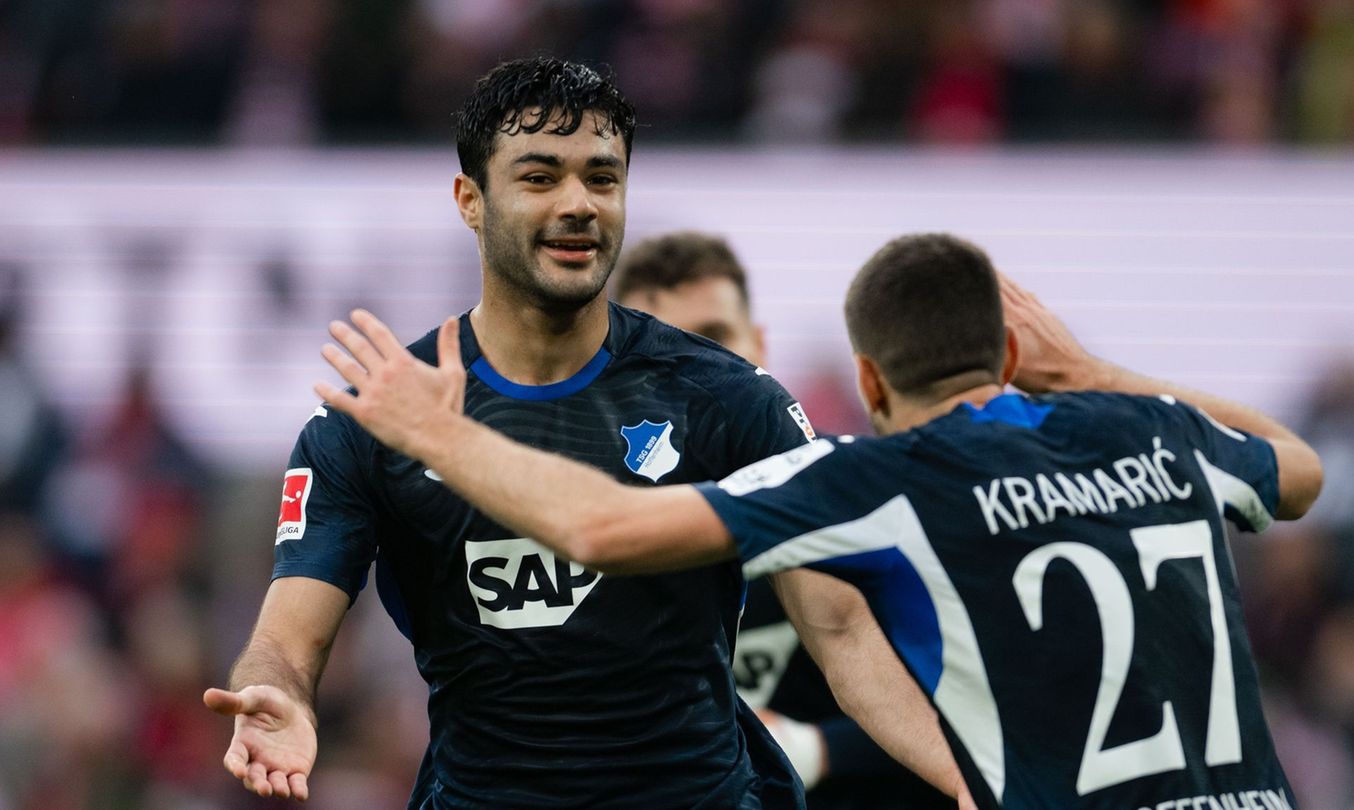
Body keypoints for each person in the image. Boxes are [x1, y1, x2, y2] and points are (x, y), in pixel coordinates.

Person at [315, 232, 1325, 809]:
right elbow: (1298, 471)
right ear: (1014, 356)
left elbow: (602, 533)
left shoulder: (873, 478)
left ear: (869, 381)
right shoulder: (1152, 430)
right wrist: (1095, 373)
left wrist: (436, 433)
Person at [202, 58, 956, 808]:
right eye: (539, 177)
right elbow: (289, 638)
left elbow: (844, 632)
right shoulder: (373, 419)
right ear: (470, 200)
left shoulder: (727, 400)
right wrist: (278, 695)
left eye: (602, 178)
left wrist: (975, 783)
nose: (579, 204)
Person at [613, 231, 953, 808]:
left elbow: (962, 706)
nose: (697, 368)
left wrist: (818, 747)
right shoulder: (593, 528)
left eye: (715, 338)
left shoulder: (848, 501)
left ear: (760, 347)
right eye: (663, 347)